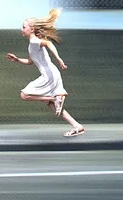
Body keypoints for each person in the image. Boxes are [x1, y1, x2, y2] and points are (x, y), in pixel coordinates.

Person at [6, 8, 85, 137]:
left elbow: (48, 43)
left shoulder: (34, 41)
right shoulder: (31, 44)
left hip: (49, 75)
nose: (22, 29)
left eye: (24, 27)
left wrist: (58, 58)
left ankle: (55, 98)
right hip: (51, 74)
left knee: (24, 95)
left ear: (31, 29)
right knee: (51, 105)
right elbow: (31, 61)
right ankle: (77, 126)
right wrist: (17, 60)